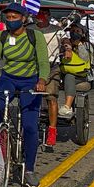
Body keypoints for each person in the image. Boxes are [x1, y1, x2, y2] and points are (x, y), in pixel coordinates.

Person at [0, 2, 49, 187]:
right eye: (8, 17)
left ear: (24, 19)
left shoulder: (35, 36)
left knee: (31, 126)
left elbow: (43, 61)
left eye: (15, 17)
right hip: (9, 77)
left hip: (30, 80)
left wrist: (42, 80)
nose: (11, 20)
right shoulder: (2, 36)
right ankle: (4, 134)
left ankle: (29, 169)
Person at [38, 9, 63, 147]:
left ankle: (52, 131)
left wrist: (67, 47)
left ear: (48, 16)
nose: (40, 17)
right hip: (33, 66)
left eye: (44, 14)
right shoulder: (30, 29)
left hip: (52, 65)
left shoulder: (57, 30)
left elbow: (65, 40)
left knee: (51, 97)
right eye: (38, 14)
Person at [58, 27, 91, 118]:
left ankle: (67, 107)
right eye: (72, 31)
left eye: (77, 31)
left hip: (79, 76)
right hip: (62, 73)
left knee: (69, 76)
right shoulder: (65, 44)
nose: (74, 33)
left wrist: (79, 45)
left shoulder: (86, 45)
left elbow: (85, 58)